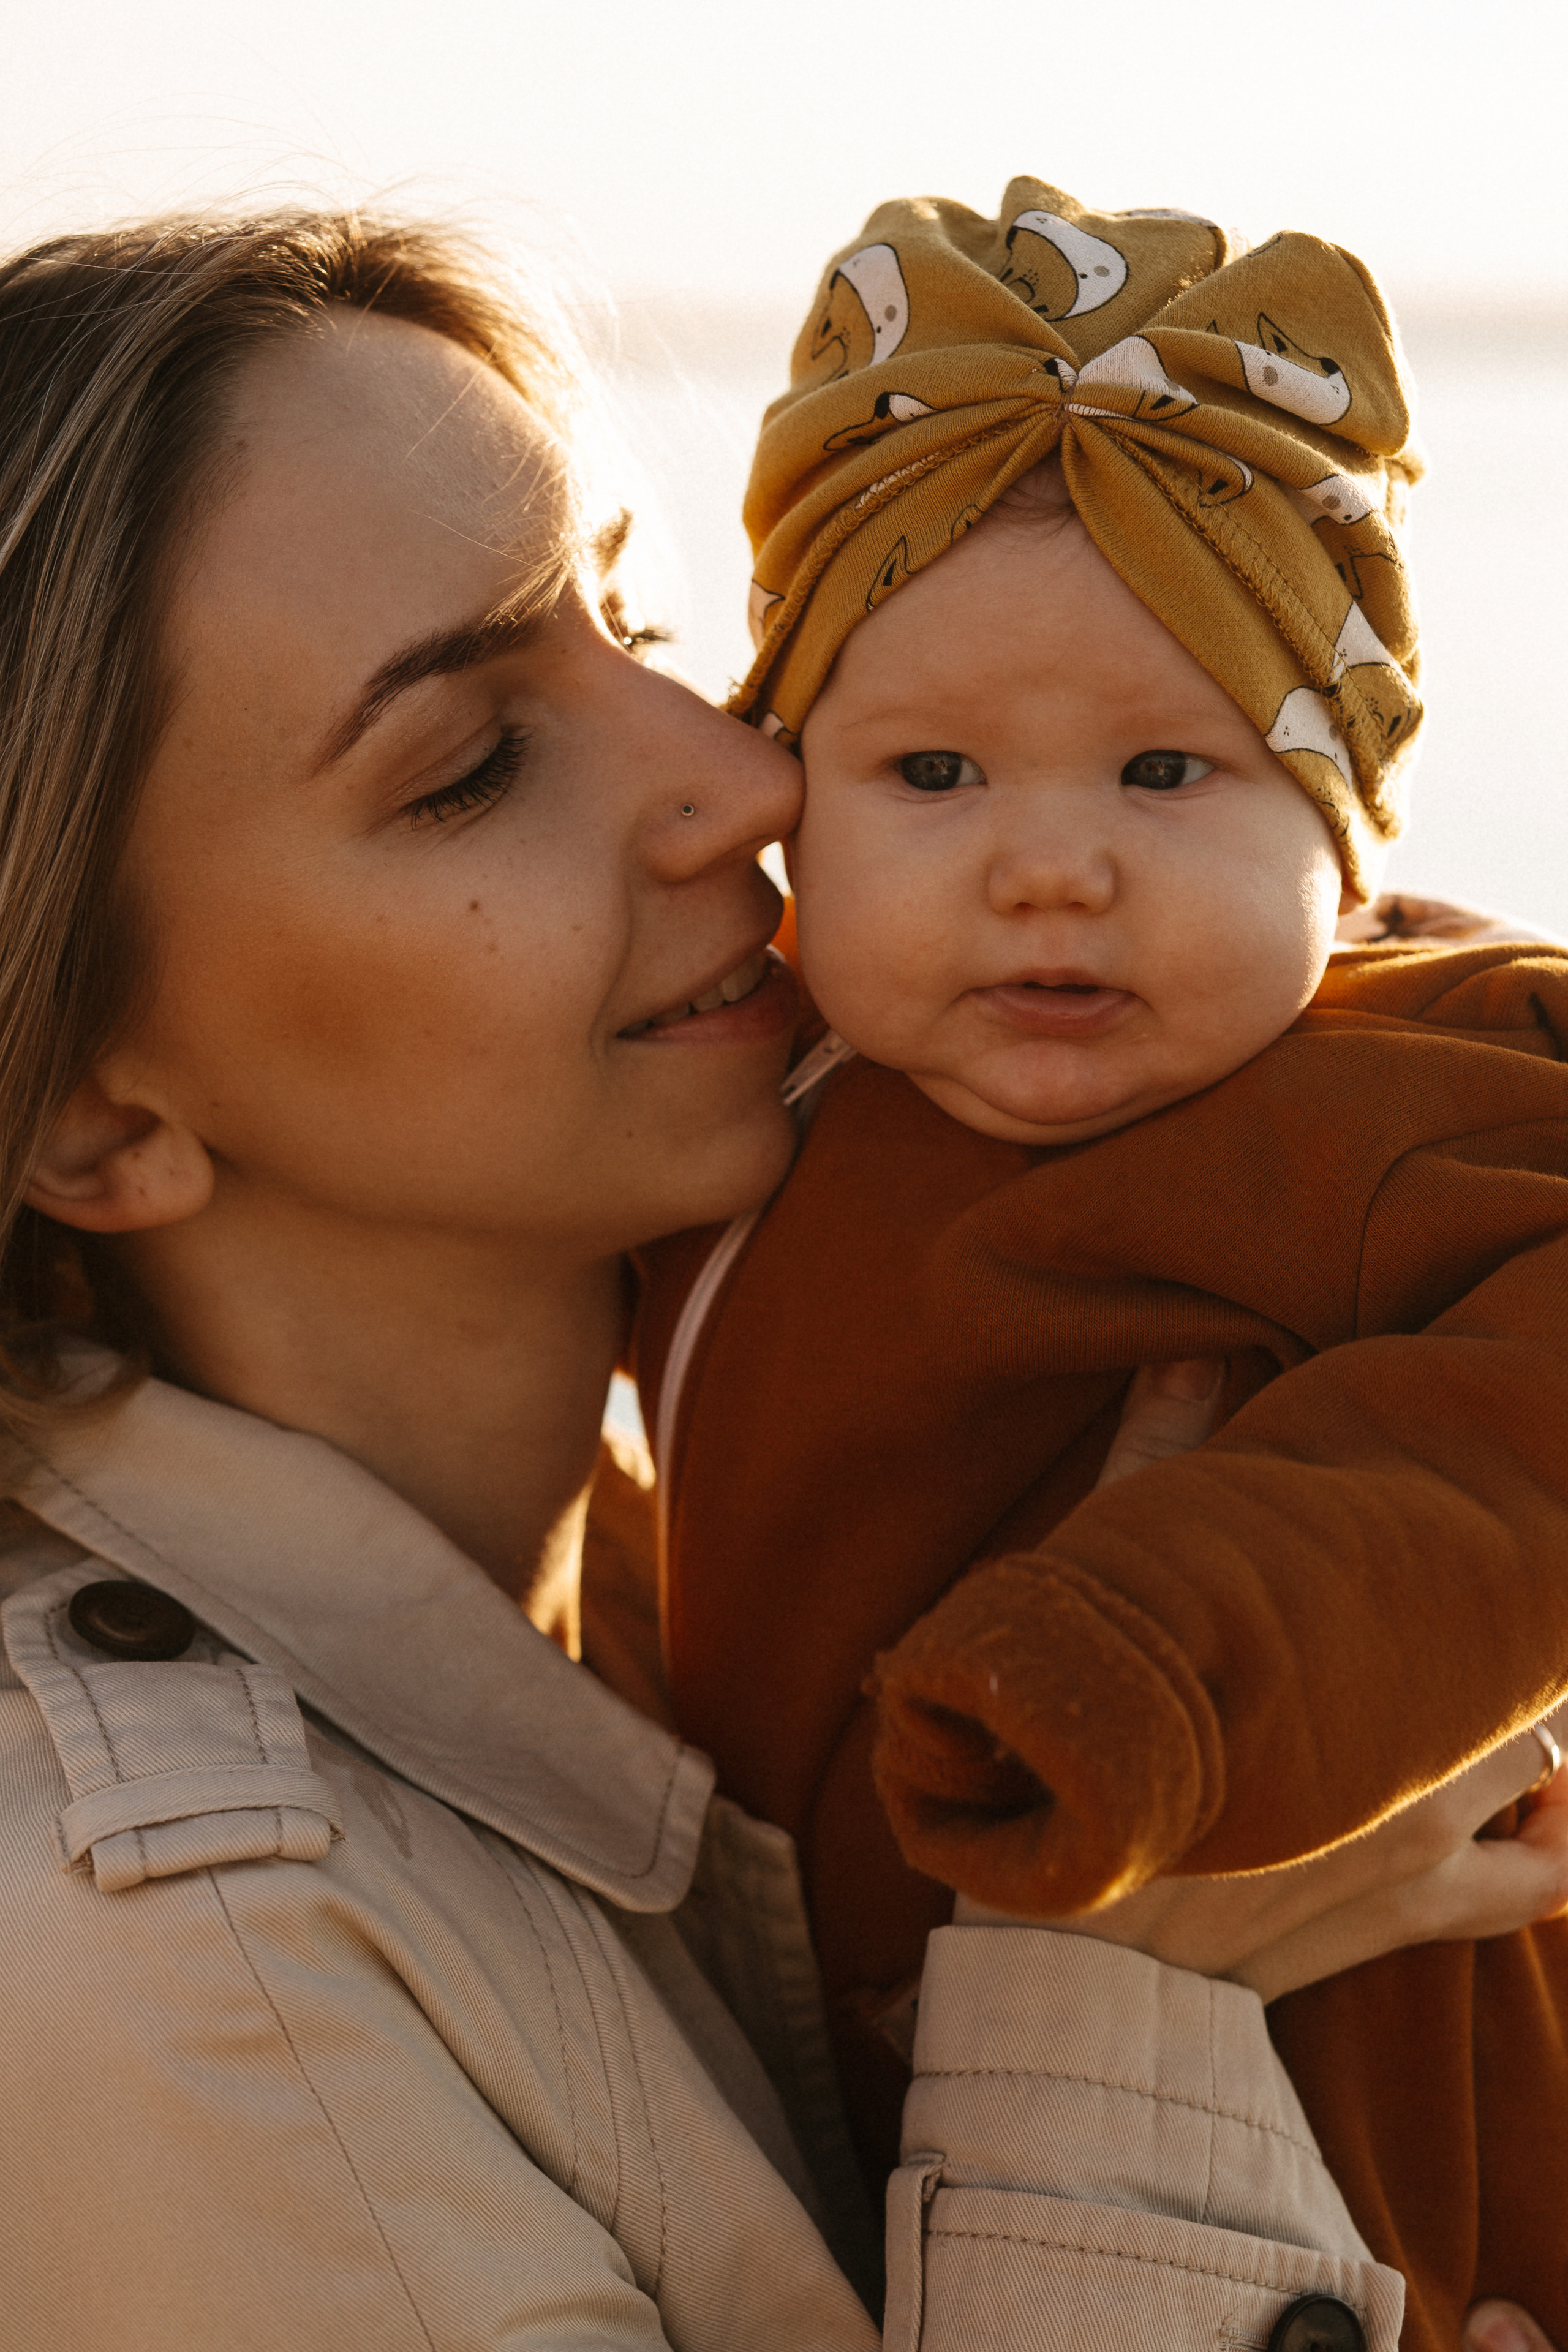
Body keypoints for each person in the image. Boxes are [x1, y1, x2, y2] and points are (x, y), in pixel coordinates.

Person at [0, 207, 1560, 2352]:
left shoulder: (704, 1617)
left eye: (630, 618)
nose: (739, 772)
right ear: (92, 1107)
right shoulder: (176, 1968)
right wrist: (1109, 1996)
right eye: (465, 764)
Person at [633, 180, 1568, 2348]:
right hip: (886, 2095)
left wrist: (1166, 1653)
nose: (1050, 863)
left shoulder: (1396, 1096)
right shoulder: (740, 1109)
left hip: (1349, 2076)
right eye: (930, 771)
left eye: (1171, 769)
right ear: (790, 805)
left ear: (1346, 832)